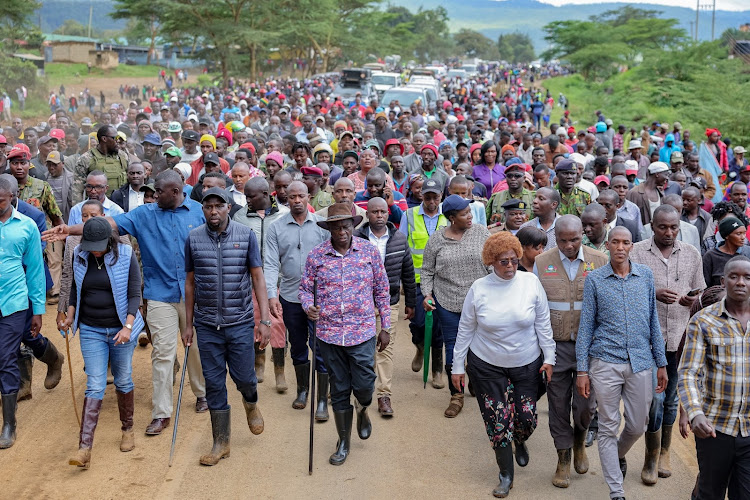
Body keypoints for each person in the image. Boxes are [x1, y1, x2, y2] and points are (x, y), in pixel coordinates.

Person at [44, 170, 208, 436]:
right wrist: (69, 230)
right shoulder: (144, 214)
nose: (153, 195)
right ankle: (161, 412)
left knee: (197, 348)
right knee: (163, 354)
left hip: (195, 294)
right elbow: (106, 224)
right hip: (160, 295)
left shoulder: (198, 211)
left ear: (175, 192)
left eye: (158, 191)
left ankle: (202, 393)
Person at [452, 231, 555, 498]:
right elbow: (465, 329)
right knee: (497, 420)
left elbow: (543, 323)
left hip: (526, 362)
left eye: (513, 260)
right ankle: (506, 474)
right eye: (503, 262)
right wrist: (457, 367)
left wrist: (549, 357)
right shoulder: (479, 288)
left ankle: (519, 439)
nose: (510, 266)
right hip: (486, 363)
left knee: (526, 416)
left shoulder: (530, 283)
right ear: (491, 262)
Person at [576, 226, 668, 500]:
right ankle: (616, 490)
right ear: (607, 245)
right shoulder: (595, 280)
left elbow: (653, 321)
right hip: (604, 361)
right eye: (614, 242)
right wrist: (582, 369)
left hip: (641, 361)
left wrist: (661, 363)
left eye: (625, 242)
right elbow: (586, 327)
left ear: (631, 247)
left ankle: (613, 456)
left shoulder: (645, 276)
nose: (619, 247)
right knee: (607, 425)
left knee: (638, 425)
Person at [182, 187, 271, 466]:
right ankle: (221, 442)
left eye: (218, 206)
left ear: (228, 208)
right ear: (203, 210)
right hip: (207, 324)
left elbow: (258, 277)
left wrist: (264, 320)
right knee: (214, 384)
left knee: (245, 377)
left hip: (240, 321)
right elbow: (190, 282)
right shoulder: (194, 238)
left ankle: (251, 403)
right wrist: (188, 324)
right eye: (208, 207)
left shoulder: (246, 236)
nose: (213, 211)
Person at [299, 202, 391, 466]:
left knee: (364, 385)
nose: (342, 231)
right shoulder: (316, 256)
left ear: (354, 226)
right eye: (336, 226)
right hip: (328, 333)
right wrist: (309, 306)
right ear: (329, 228)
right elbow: (305, 290)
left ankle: (362, 409)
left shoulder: (368, 252)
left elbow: (382, 291)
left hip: (361, 331)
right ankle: (343, 441)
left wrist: (385, 326)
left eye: (346, 226)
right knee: (338, 388)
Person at [60, 217, 144, 468]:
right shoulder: (79, 254)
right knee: (95, 383)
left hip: (121, 328)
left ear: (110, 241)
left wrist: (128, 326)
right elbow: (76, 288)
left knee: (123, 379)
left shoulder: (126, 253)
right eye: (90, 244)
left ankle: (127, 429)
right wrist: (71, 314)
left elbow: (134, 292)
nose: (94, 250)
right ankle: (84, 447)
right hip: (90, 328)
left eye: (99, 245)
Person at [630, 204, 705, 484]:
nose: (669, 232)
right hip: (647, 340)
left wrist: (691, 299)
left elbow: (700, 290)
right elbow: (626, 289)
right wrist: (653, 293)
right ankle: (650, 458)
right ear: (652, 227)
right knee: (654, 399)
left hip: (679, 338)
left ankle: (664, 452)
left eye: (674, 227)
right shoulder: (637, 252)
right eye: (663, 227)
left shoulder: (691, 254)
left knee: (673, 398)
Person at [534, 215, 607, 488]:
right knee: (558, 404)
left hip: (591, 348)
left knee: (586, 406)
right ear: (556, 238)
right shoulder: (542, 263)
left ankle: (580, 440)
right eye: (563, 240)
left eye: (574, 239)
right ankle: (563, 458)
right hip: (556, 347)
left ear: (582, 235)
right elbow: (536, 306)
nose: (569, 245)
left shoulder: (600, 260)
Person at [679, 255, 750, 499]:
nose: (741, 282)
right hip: (714, 429)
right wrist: (694, 412)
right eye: (734, 276)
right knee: (710, 493)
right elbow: (688, 372)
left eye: (747, 277)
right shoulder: (703, 321)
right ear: (723, 281)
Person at [264, 181, 329, 415]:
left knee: (321, 347)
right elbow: (270, 264)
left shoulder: (322, 226)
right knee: (298, 346)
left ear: (309, 197)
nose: (297, 201)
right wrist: (272, 294)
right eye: (292, 197)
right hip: (290, 297)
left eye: (301, 196)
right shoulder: (276, 227)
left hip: (320, 298)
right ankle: (303, 391)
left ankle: (322, 399)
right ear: (286, 199)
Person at [421, 195, 490, 417]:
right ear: (451, 218)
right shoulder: (437, 239)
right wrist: (427, 294)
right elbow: (427, 270)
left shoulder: (480, 232)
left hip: (480, 302)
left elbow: (492, 262)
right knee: (454, 348)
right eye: (464, 214)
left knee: (479, 348)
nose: (470, 217)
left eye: (470, 212)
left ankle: (474, 378)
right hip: (447, 301)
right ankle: (456, 395)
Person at [354, 197, 416, 416]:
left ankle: (384, 396)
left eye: (383, 212)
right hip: (361, 304)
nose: (379, 215)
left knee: (385, 350)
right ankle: (361, 392)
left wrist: (410, 302)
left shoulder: (399, 239)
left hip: (389, 303)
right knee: (363, 350)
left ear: (388, 214)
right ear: (367, 214)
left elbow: (408, 272)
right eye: (374, 212)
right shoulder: (356, 238)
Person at [0, 176, 45, 450]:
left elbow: (36, 271)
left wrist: (38, 310)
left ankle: (9, 424)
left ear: (13, 197)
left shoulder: (27, 226)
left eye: (1, 201)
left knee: (5, 358)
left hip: (13, 304)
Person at [233, 177, 290, 392]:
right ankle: (259, 364)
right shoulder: (240, 217)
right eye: (246, 196)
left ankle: (280, 371)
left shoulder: (284, 215)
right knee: (258, 320)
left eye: (251, 196)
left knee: (277, 323)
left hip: (278, 280)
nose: (247, 200)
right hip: (251, 280)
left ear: (266, 195)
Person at [399, 178, 446, 389]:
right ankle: (419, 346)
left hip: (443, 280)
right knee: (417, 322)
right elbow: (401, 246)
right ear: (421, 196)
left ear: (441, 196)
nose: (431, 201)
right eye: (427, 196)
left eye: (435, 196)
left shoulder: (448, 216)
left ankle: (437, 370)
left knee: (437, 326)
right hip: (416, 280)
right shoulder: (408, 215)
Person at [43, 150, 74, 304]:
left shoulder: (72, 179)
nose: (51, 167)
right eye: (49, 164)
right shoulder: (43, 179)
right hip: (53, 225)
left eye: (54, 164)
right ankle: (55, 290)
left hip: (70, 224)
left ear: (62, 164)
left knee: (71, 257)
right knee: (54, 257)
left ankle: (72, 291)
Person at [73, 126, 130, 203]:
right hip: (96, 207)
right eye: (115, 138)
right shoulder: (86, 159)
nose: (118, 141)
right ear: (104, 139)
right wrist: (79, 211)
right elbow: (77, 190)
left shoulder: (123, 156)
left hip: (121, 206)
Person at [702, 216, 750, 287]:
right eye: (738, 234)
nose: (743, 237)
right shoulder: (711, 256)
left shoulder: (748, 252)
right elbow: (705, 285)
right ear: (727, 236)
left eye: (744, 233)